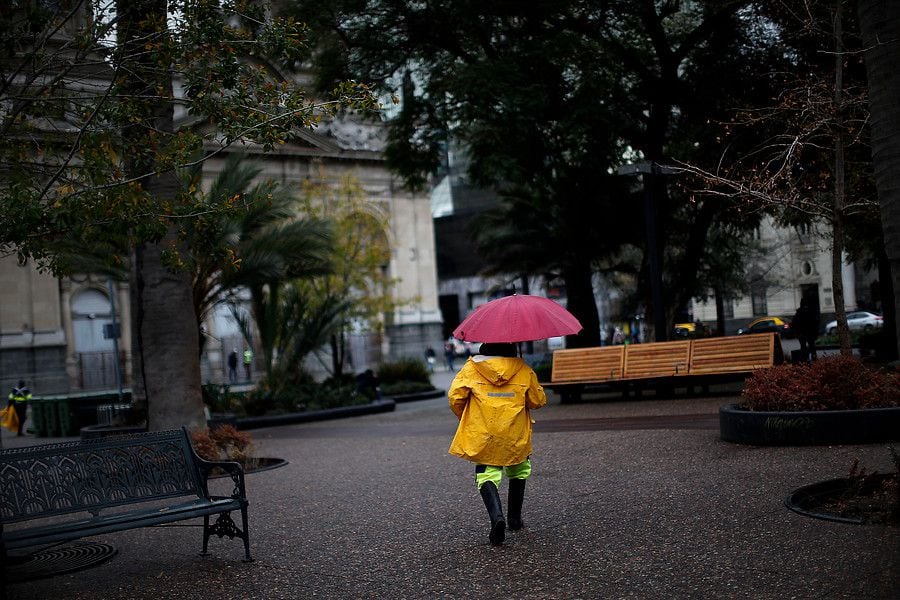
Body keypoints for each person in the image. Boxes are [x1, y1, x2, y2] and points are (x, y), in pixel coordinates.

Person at [448, 342, 547, 546]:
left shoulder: (472, 368)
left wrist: (468, 418)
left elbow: (455, 398)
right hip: (515, 432)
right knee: (519, 469)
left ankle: (497, 517)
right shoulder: (522, 369)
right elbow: (537, 401)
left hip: (484, 432)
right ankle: (514, 519)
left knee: (487, 473)